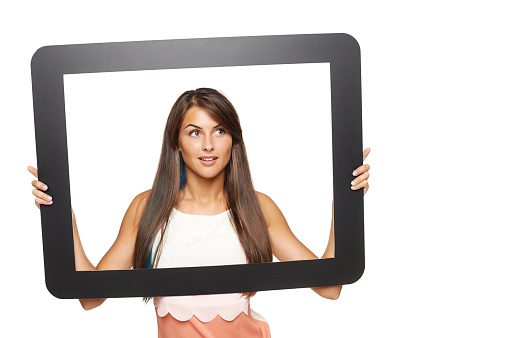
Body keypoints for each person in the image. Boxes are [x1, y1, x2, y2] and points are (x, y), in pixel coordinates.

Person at [29, 88, 371, 338]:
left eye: (219, 131)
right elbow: (90, 297)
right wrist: (63, 218)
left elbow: (330, 288)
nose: (208, 145)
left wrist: (345, 203)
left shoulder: (257, 208)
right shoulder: (147, 209)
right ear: (177, 142)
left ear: (233, 141)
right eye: (194, 132)